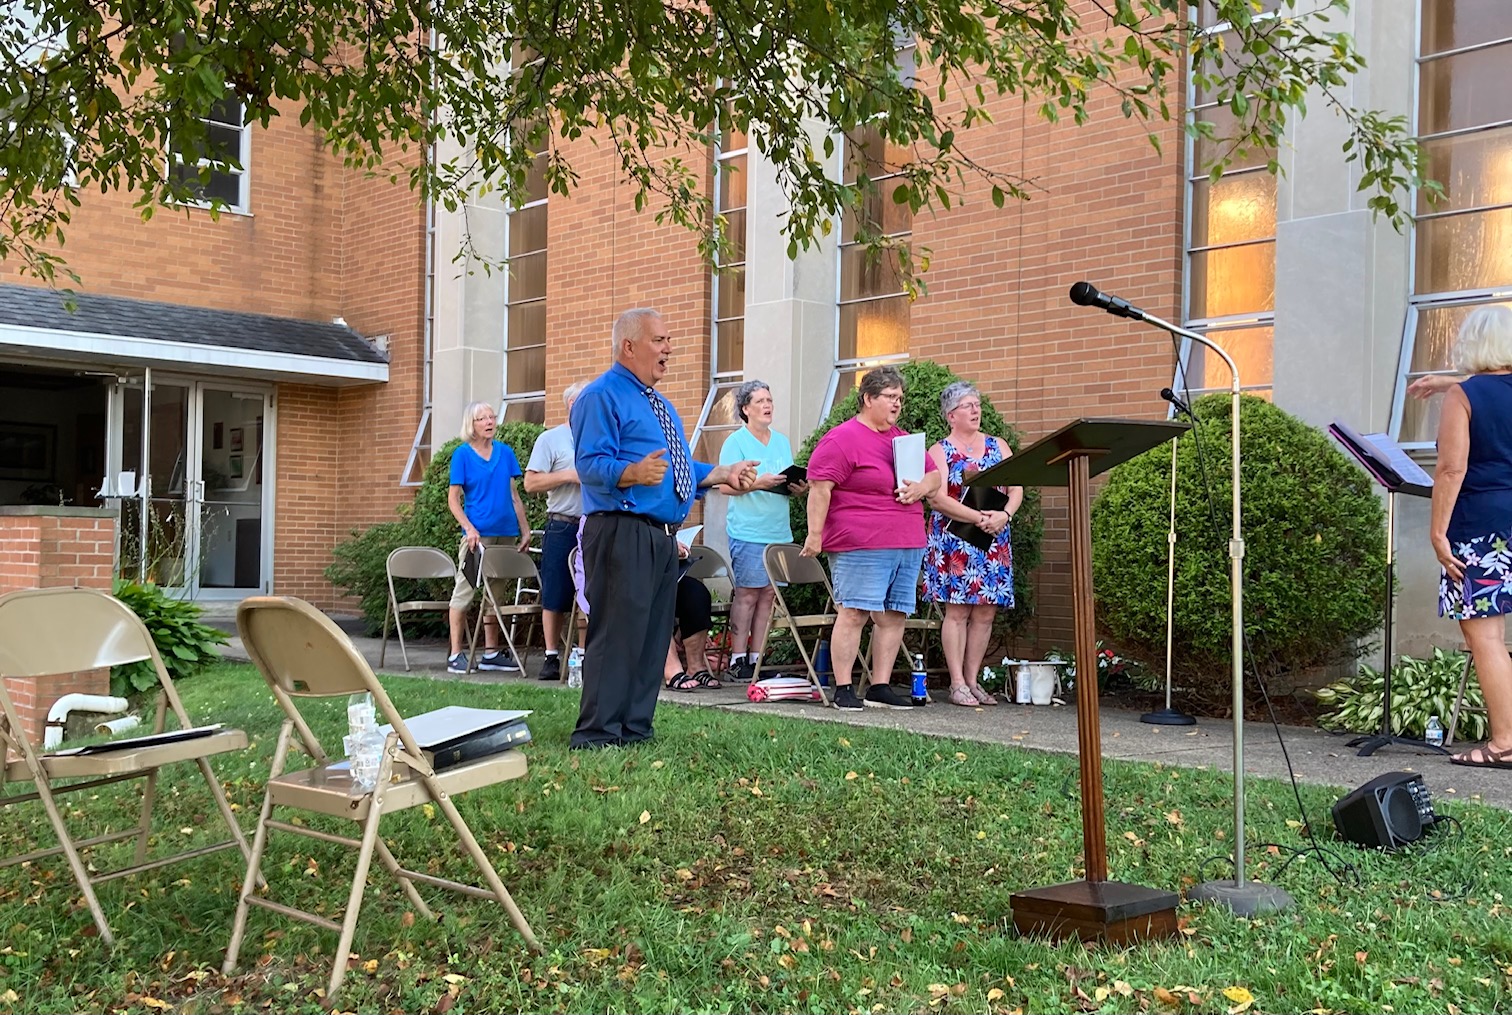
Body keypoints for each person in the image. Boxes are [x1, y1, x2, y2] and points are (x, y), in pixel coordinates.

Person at [569, 308, 758, 749]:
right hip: (620, 530)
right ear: (628, 346)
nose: (668, 349)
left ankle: (634, 728)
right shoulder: (602, 396)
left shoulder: (660, 403)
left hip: (659, 535)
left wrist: (720, 473)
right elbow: (589, 464)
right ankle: (597, 732)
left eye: (668, 340)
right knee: (618, 633)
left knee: (653, 635)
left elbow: (677, 465)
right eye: (659, 341)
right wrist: (630, 472)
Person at [801, 366, 941, 710]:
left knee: (895, 615)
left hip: (907, 540)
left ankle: (879, 685)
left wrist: (923, 486)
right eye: (890, 397)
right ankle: (845, 688)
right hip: (861, 540)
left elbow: (936, 474)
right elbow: (820, 489)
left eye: (900, 398)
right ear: (867, 399)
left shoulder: (903, 439)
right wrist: (815, 535)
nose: (897, 405)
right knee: (854, 612)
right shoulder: (842, 438)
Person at [1426, 305, 1512, 768]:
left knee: (1487, 637)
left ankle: (1504, 742)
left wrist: (1438, 532)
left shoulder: (1465, 396)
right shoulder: (1468, 391)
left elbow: (1451, 468)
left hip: (1482, 526)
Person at [922, 382, 1024, 707]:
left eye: (977, 404)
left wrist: (1004, 515)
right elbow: (936, 498)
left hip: (993, 538)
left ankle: (972, 679)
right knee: (958, 611)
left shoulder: (998, 445)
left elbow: (1017, 486)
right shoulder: (940, 451)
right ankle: (955, 684)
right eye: (968, 405)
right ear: (951, 415)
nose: (976, 410)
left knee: (985, 613)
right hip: (956, 539)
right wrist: (977, 516)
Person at [718, 380, 807, 682]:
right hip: (748, 531)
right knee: (747, 594)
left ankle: (757, 658)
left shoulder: (781, 441)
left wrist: (798, 488)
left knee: (769, 595)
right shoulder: (736, 442)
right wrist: (759, 483)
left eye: (769, 400)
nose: (768, 406)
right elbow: (722, 486)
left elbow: (783, 482)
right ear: (745, 409)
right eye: (760, 401)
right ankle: (737, 658)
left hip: (778, 531)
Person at [446, 401, 531, 674]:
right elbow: (453, 500)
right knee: (465, 590)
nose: (489, 422)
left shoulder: (505, 453)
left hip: (505, 534)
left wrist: (525, 529)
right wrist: (469, 528)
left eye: (492, 417)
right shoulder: (462, 455)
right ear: (472, 424)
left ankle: (491, 653)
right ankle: (455, 654)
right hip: (477, 538)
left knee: (496, 595)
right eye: (482, 418)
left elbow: (514, 495)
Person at [524, 381, 587, 682]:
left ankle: (585, 654)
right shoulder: (551, 440)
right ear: (573, 404)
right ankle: (551, 656)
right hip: (562, 523)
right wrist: (568, 476)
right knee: (556, 591)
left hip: (594, 525)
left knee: (589, 593)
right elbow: (531, 483)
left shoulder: (600, 437)